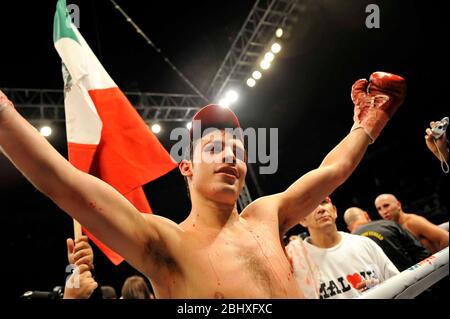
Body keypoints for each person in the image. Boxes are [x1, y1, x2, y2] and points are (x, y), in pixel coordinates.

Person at [0, 71, 406, 298]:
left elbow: (331, 171)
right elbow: (63, 182)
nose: (230, 154)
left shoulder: (266, 214)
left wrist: (369, 122)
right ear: (186, 168)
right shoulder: (164, 242)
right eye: (214, 147)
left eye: (237, 148)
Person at [286, 197, 399, 299]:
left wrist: (380, 287)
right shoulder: (295, 262)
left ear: (334, 211)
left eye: (324, 202)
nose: (320, 209)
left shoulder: (364, 244)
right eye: (311, 206)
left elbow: (398, 285)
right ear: (302, 220)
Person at [343, 207, 430, 271]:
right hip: (411, 279)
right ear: (366, 215)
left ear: (349, 228)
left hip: (383, 292)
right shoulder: (389, 225)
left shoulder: (347, 244)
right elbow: (420, 252)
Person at [374, 194, 449, 254]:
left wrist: (442, 265)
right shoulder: (393, 229)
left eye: (386, 206)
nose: (384, 212)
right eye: (379, 209)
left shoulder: (412, 221)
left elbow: (446, 238)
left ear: (398, 205)